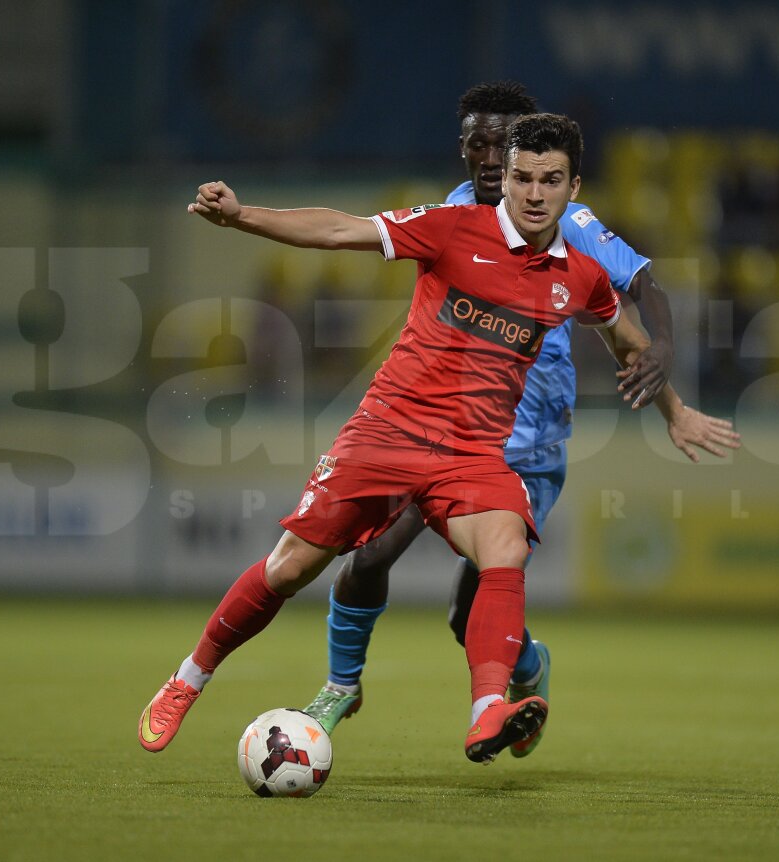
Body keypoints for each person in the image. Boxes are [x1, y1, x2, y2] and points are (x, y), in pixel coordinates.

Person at [140, 114, 740, 763]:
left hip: (472, 455)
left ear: (574, 188)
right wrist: (241, 216)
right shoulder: (454, 228)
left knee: (504, 544)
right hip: (389, 434)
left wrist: (674, 409)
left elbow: (627, 339)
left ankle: (488, 712)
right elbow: (342, 229)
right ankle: (186, 680)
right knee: (291, 566)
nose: (536, 193)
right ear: (504, 181)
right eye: (523, 178)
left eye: (551, 180)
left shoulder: (580, 276)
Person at [302, 82, 675, 754]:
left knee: (465, 614)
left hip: (525, 445)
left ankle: (526, 676)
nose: (490, 155)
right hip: (444, 431)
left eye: (505, 143)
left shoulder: (573, 223)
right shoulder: (449, 213)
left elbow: (637, 291)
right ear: (467, 147)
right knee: (368, 553)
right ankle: (340, 687)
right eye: (479, 141)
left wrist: (666, 372)